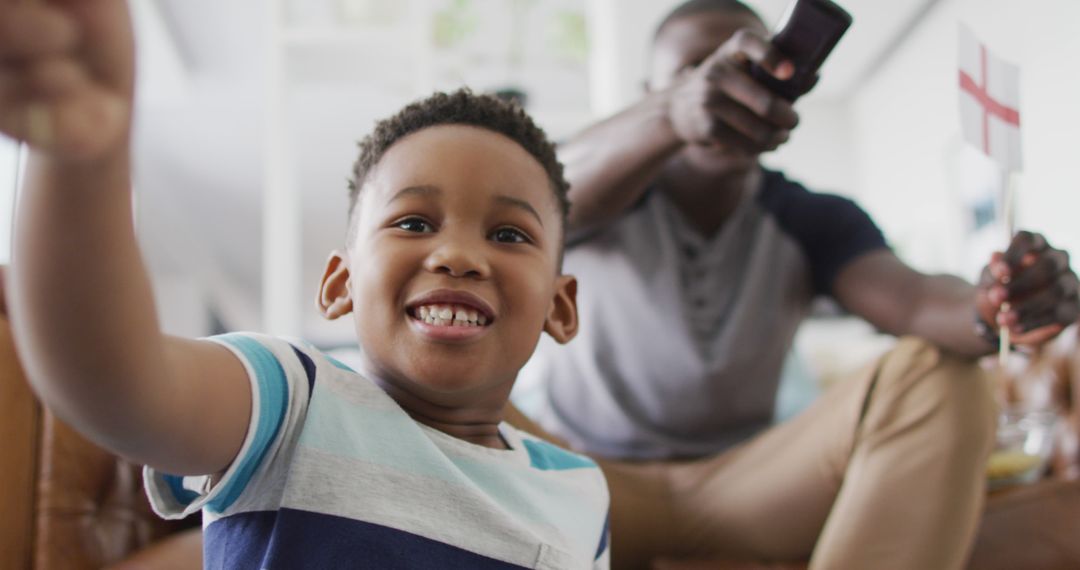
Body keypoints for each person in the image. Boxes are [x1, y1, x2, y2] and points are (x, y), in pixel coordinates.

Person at [0, 1, 610, 567]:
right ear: (340, 284)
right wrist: (82, 160)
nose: (456, 254)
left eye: (508, 235)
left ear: (560, 307)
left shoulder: (580, 490)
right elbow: (115, 382)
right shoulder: (290, 400)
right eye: (414, 222)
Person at [514, 0, 1080, 568]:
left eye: (751, 68)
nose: (725, 85)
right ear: (649, 91)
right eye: (695, 70)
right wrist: (671, 116)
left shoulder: (811, 217)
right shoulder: (593, 192)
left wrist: (1001, 304)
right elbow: (534, 193)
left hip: (749, 488)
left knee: (943, 374)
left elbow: (916, 301)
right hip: (587, 479)